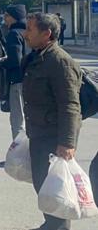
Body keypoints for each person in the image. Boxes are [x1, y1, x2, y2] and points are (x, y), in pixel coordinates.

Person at [21, 12, 81, 230]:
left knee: (56, 189)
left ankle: (58, 227)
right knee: (43, 184)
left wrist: (67, 143)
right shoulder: (38, 56)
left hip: (53, 136)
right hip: (38, 132)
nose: (25, 34)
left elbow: (70, 105)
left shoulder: (60, 62)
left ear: (46, 34)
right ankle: (52, 224)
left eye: (30, 29)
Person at [1, 4, 27, 141]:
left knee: (18, 119)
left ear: (14, 17)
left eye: (7, 15)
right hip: (32, 79)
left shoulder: (14, 34)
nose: (4, 18)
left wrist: (4, 62)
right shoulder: (30, 31)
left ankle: (18, 157)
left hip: (17, 80)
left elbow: (15, 60)